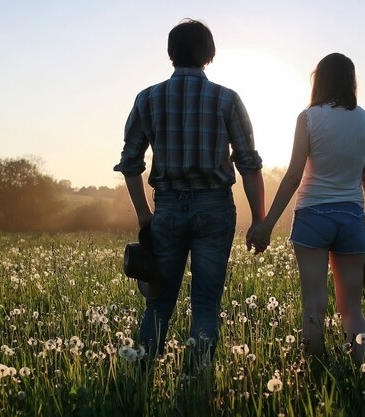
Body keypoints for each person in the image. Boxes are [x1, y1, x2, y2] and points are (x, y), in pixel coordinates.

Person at [114, 19, 265, 365]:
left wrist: (142, 213)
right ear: (209, 54)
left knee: (158, 302)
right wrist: (259, 219)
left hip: (166, 209)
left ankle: (140, 378)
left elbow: (130, 162)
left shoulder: (147, 98)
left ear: (171, 54)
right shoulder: (227, 99)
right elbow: (249, 165)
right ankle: (197, 381)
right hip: (215, 209)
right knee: (206, 302)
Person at [247, 53, 365, 364]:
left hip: (312, 215)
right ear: (351, 82)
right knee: (351, 307)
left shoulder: (308, 118)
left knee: (313, 303)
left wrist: (267, 223)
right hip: (351, 217)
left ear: (318, 80)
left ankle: (315, 368)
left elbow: (294, 175)